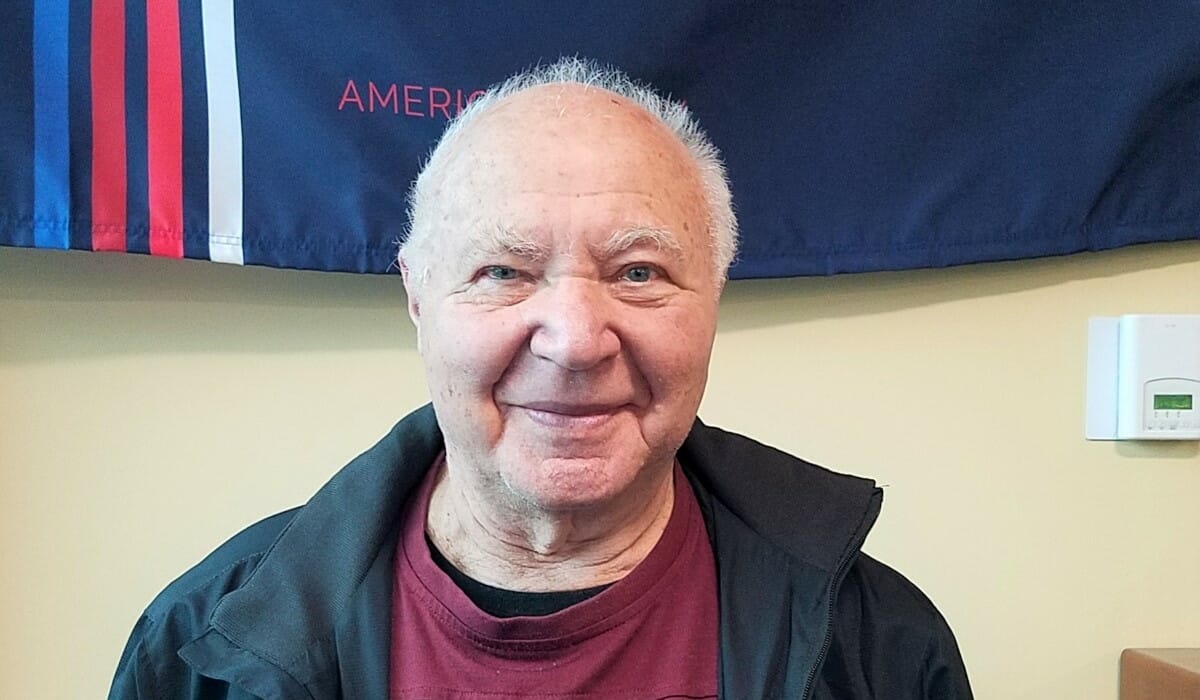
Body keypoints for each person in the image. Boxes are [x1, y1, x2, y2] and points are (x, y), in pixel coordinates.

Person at [110, 58, 972, 699]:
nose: (574, 340)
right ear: (418, 300)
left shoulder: (878, 649)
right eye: (503, 273)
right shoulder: (203, 649)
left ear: (713, 298)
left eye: (638, 273)